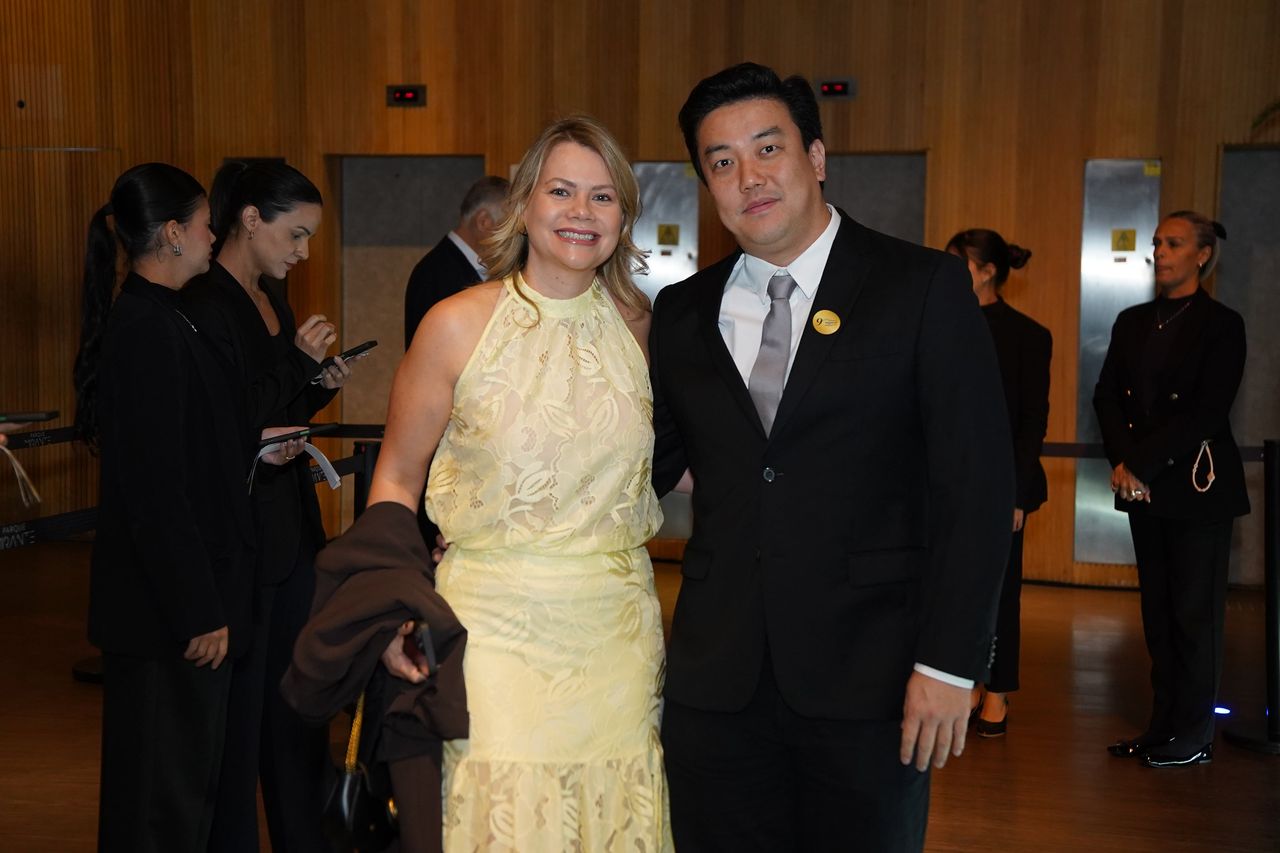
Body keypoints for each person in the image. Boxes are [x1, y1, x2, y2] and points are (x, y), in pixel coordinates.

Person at [650, 63, 1013, 852]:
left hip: (873, 683)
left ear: (815, 156)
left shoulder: (921, 287)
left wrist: (950, 664)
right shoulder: (680, 314)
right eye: (721, 161)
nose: (749, 177)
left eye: (768, 148)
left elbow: (977, 489)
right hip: (717, 686)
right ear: (707, 186)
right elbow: (639, 468)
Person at [373, 116, 670, 851]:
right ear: (524, 203)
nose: (581, 211)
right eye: (561, 191)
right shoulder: (455, 324)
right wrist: (390, 607)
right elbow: (397, 476)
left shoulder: (641, 327)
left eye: (603, 196)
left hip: (616, 636)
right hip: (491, 630)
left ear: (624, 215)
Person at [71, 162, 294, 852]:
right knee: (158, 810)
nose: (212, 236)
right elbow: (155, 491)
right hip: (165, 620)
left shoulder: (171, 316)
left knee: (182, 802)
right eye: (202, 224)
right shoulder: (146, 327)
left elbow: (192, 446)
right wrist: (200, 609)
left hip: (179, 609)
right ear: (172, 233)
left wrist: (255, 448)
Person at [182, 160, 349, 852]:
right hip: (243, 538)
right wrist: (298, 365)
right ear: (250, 219)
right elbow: (228, 421)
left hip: (291, 532)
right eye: (296, 234)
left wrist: (318, 384)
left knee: (295, 709)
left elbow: (278, 413)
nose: (303, 252)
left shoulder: (270, 299)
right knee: (241, 721)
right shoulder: (206, 303)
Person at [1094, 211, 1249, 768]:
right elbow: (1106, 395)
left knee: (1193, 617)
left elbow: (1207, 410)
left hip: (1196, 488)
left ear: (1202, 255)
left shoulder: (1222, 324)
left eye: (1174, 243)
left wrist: (1140, 463)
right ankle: (1162, 726)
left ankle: (1195, 732)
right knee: (1158, 617)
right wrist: (1123, 462)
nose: (1160, 251)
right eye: (1158, 243)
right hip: (1145, 491)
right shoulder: (1133, 321)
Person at [945, 228, 1051, 737]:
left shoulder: (1028, 335)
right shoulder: (942, 323)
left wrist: (1017, 493)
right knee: (953, 588)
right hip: (946, 479)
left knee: (1002, 592)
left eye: (959, 263)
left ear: (987, 272)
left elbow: (1032, 422)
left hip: (1003, 482)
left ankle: (998, 692)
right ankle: (965, 682)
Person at [403, 175, 510, 347]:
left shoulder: (460, 266)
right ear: (484, 222)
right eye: (508, 226)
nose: (512, 236)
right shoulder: (435, 274)